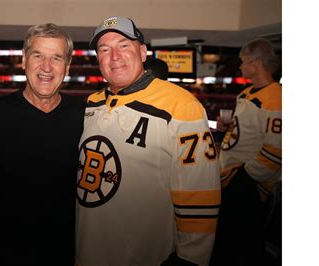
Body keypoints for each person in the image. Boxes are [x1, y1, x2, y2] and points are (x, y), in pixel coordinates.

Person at [75, 16, 220, 266]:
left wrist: (192, 258)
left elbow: (200, 193)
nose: (114, 56)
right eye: (104, 49)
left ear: (142, 52)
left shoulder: (182, 105)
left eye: (123, 45)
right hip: (87, 250)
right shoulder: (92, 102)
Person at [0, 23, 85, 266]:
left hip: (66, 255)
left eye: (56, 57)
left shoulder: (85, 116)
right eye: (38, 55)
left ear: (67, 66)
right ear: (24, 60)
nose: (46, 67)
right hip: (2, 254)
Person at [211, 38, 281, 265]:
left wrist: (246, 177)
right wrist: (226, 129)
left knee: (243, 245)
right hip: (230, 176)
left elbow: (277, 147)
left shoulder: (277, 99)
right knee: (225, 240)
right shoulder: (246, 93)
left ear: (257, 63)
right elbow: (246, 133)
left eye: (243, 62)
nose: (240, 67)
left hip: (247, 184)